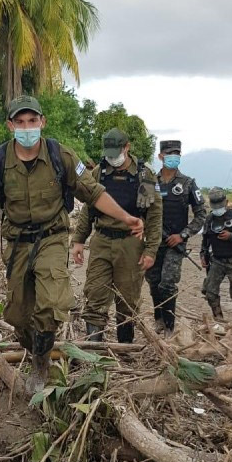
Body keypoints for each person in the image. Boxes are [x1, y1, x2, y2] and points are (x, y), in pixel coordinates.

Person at [0, 96, 145, 393]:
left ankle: (40, 364)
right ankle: (34, 349)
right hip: (16, 244)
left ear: (42, 122)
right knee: (18, 315)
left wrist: (127, 217)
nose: (27, 127)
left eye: (32, 121)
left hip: (52, 238)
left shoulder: (60, 156)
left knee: (52, 304)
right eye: (20, 122)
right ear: (10, 125)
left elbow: (93, 193)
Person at [71, 128, 162, 343]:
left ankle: (125, 346)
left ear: (127, 147)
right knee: (95, 293)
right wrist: (78, 240)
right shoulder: (99, 172)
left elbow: (155, 214)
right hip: (101, 240)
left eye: (116, 152)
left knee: (128, 298)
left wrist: (151, 250)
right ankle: (94, 345)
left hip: (130, 243)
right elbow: (88, 208)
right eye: (109, 153)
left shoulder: (143, 175)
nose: (112, 158)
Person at [145, 140, 206, 336]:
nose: (174, 156)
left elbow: (201, 215)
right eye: (169, 153)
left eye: (177, 153)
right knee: (154, 282)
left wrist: (183, 235)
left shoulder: (187, 183)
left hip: (175, 244)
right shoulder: (149, 183)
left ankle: (170, 326)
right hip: (153, 242)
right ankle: (159, 319)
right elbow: (140, 211)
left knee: (167, 284)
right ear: (161, 156)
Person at [199, 187, 232, 320]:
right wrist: (203, 255)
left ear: (227, 202)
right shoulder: (209, 219)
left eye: (220, 204)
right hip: (217, 260)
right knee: (210, 291)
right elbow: (205, 240)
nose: (218, 208)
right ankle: (218, 319)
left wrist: (231, 236)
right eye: (215, 205)